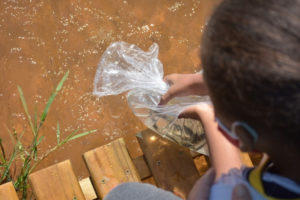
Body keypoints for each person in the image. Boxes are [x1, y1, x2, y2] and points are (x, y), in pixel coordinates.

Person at [105, 0, 300, 199]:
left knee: (122, 194)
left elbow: (226, 183)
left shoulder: (246, 193)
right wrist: (199, 81)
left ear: (243, 139)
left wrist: (207, 115)